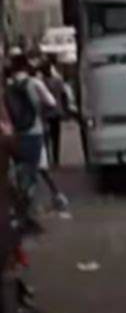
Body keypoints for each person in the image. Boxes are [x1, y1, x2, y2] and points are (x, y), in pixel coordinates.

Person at [6, 54, 67, 212]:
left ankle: (25, 203)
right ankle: (30, 204)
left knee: (23, 168)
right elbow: (51, 102)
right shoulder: (34, 83)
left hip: (16, 134)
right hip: (35, 131)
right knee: (38, 167)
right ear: (26, 66)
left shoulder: (9, 86)